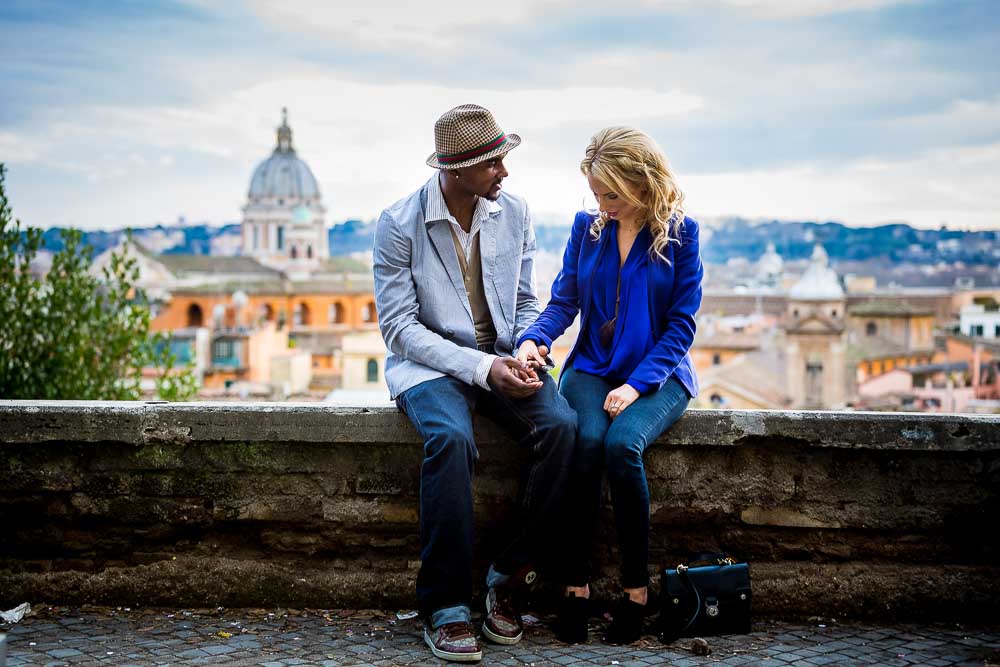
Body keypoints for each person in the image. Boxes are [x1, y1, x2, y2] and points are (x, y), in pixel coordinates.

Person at [373, 104, 578, 663]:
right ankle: (444, 605)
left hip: (504, 358)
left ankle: (508, 578)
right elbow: (399, 329)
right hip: (429, 368)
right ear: (456, 170)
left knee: (563, 428)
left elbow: (526, 300)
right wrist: (479, 367)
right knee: (451, 439)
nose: (504, 173)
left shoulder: (515, 211)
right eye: (493, 163)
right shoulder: (398, 223)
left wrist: (530, 349)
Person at [517, 126, 703, 645]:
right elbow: (564, 301)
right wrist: (535, 341)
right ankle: (574, 588)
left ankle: (634, 592)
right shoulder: (588, 228)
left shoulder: (682, 234)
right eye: (596, 193)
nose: (602, 204)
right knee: (585, 442)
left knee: (623, 447)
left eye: (612, 194)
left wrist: (639, 385)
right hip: (592, 367)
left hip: (660, 373)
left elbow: (682, 326)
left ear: (643, 182)